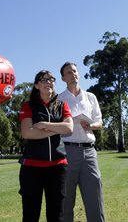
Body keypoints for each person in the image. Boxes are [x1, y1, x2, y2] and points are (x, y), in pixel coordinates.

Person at [19, 70, 74, 222]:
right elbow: (27, 133)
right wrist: (56, 130)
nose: (48, 82)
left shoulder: (62, 105)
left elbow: (69, 128)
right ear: (36, 85)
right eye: (43, 80)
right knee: (31, 215)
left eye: (51, 79)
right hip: (32, 168)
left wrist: (44, 125)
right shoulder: (28, 105)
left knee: (57, 216)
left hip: (58, 167)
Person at [58, 62, 106, 222]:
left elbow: (99, 122)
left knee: (95, 199)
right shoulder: (58, 99)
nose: (73, 74)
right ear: (63, 78)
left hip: (89, 152)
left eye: (75, 71)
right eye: (68, 72)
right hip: (67, 152)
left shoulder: (90, 97)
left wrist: (91, 125)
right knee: (65, 200)